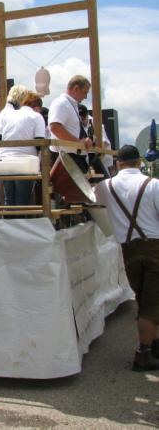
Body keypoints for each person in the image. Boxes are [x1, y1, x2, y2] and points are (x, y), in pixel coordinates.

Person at [93, 145, 159, 371]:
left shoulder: (104, 186)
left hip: (129, 249)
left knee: (144, 298)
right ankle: (143, 355)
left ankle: (155, 344)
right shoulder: (153, 184)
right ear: (139, 162)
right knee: (152, 303)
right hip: (155, 247)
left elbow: (87, 203)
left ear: (118, 164)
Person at [0, 93, 45, 206]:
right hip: (25, 162)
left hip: (5, 160)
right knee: (22, 200)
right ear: (38, 108)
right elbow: (39, 143)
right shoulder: (36, 116)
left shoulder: (7, 115)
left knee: (9, 200)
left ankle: (8, 218)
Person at [48, 75, 93, 173]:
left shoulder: (69, 104)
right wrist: (78, 142)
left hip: (71, 157)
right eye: (85, 92)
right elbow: (55, 127)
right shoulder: (61, 103)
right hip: (65, 158)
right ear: (76, 88)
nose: (85, 97)